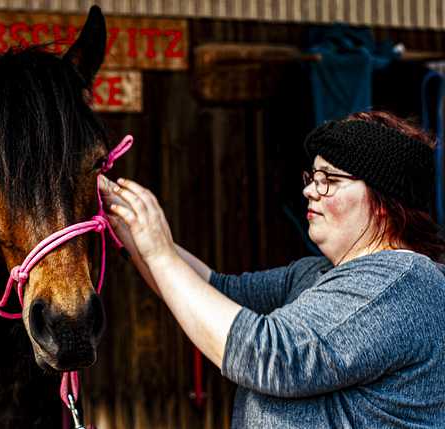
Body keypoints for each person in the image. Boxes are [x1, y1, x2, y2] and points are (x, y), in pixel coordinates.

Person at [99, 110, 445, 428]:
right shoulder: (315, 274)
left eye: (330, 180)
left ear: (381, 200)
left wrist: (161, 254)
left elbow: (272, 357)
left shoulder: (404, 280)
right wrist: (130, 228)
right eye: (312, 176)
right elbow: (212, 291)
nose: (309, 190)